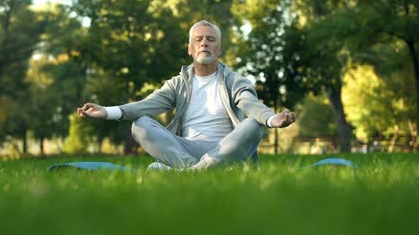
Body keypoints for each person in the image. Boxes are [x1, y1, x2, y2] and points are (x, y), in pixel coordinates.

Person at [77, 20, 295, 170]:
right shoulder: (178, 83)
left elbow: (249, 103)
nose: (204, 43)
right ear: (190, 48)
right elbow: (148, 105)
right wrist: (106, 111)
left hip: (226, 148)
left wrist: (271, 118)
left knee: (254, 124)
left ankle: (188, 173)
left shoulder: (234, 80)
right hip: (185, 149)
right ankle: (198, 169)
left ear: (219, 49)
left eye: (211, 39)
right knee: (140, 124)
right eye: (199, 39)